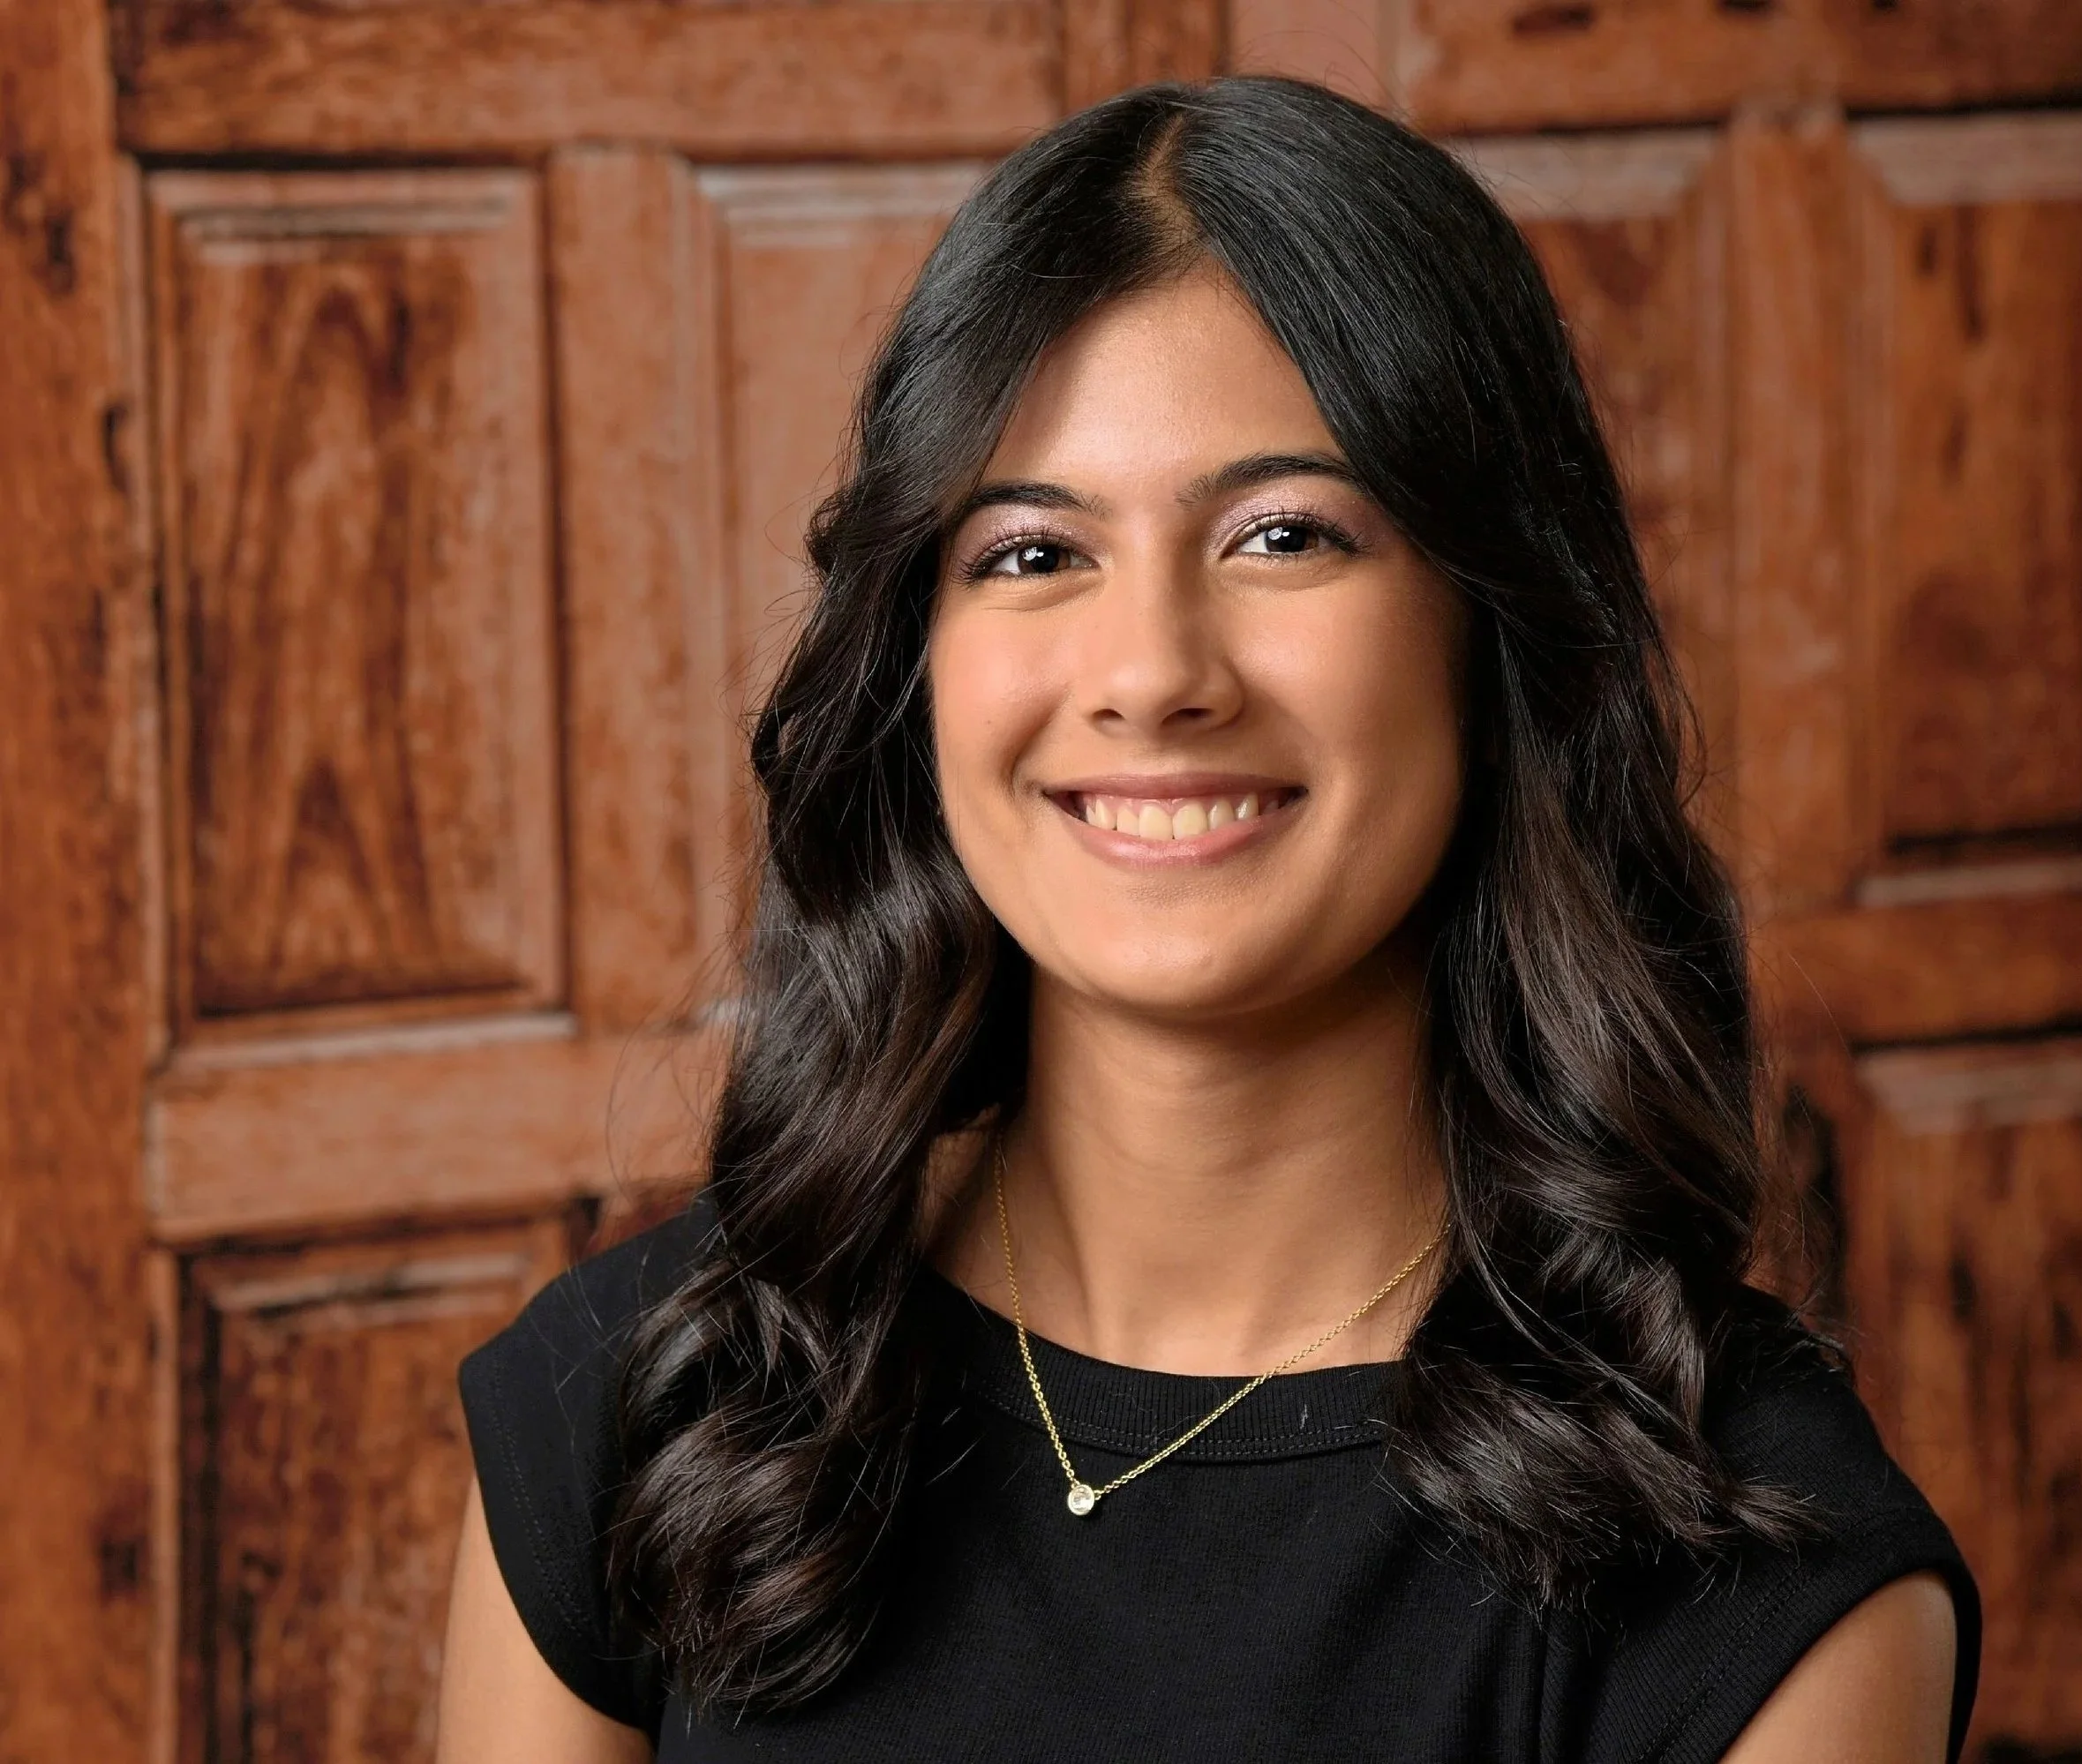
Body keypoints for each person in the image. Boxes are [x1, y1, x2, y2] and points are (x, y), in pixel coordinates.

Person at [437, 76, 1977, 1762]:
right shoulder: (641, 1417)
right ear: (915, 660)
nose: (1156, 672)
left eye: (1284, 533)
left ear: (1493, 631)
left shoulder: (1753, 1575)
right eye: (1033, 553)